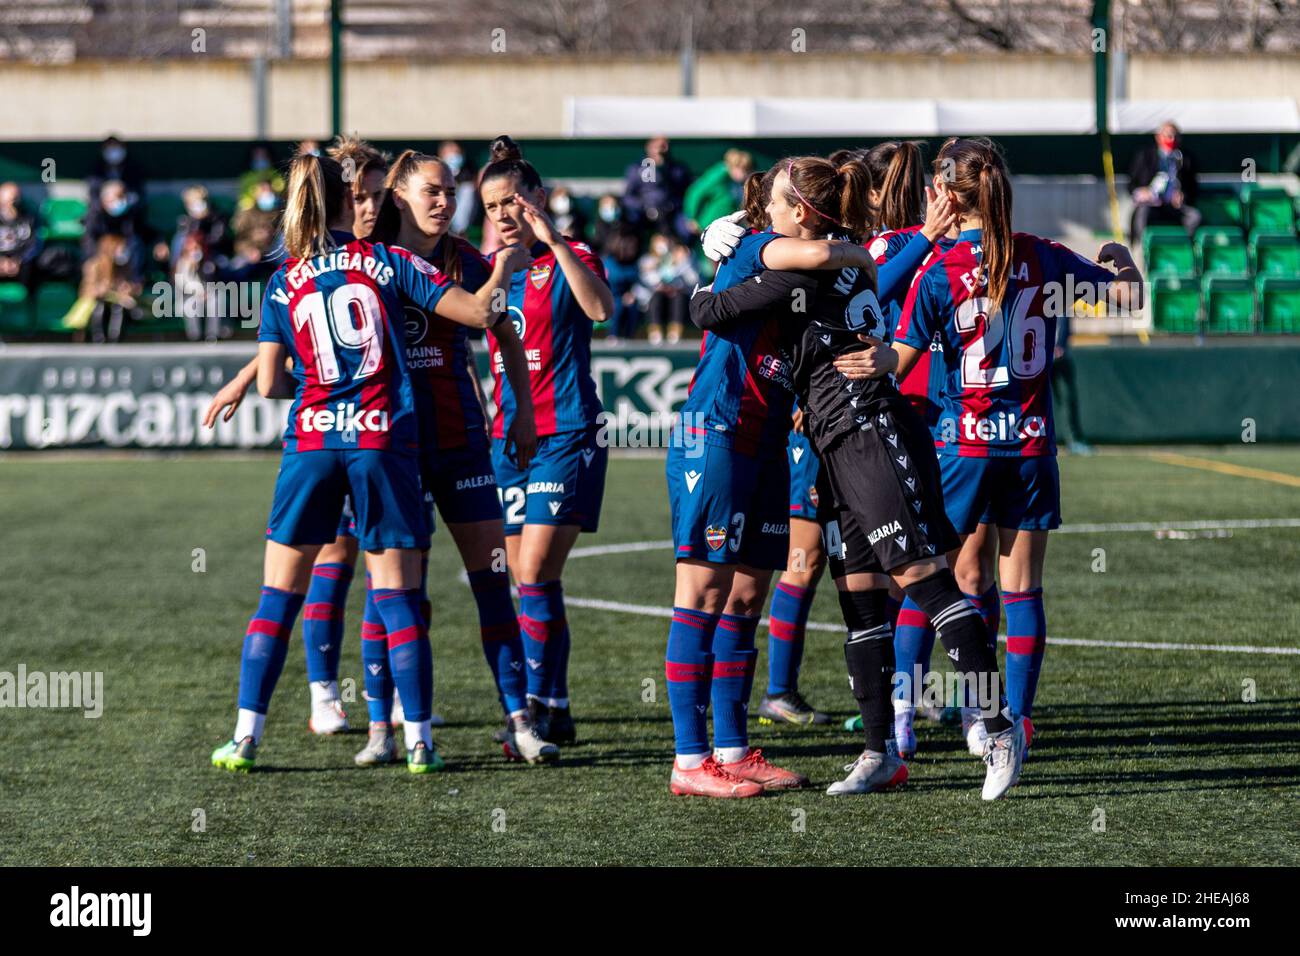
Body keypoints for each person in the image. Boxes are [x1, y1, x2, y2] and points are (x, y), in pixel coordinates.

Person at [689, 154, 1027, 801]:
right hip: (835, 444)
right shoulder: (838, 256)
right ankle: (880, 754)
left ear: (799, 216)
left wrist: (711, 256)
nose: (765, 213)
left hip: (870, 432)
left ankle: (999, 723)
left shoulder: (810, 273)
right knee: (862, 603)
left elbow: (713, 310)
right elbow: (871, 269)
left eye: (776, 203)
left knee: (926, 583)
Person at [208, 149, 526, 774]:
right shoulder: (386, 260)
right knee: (398, 595)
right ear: (348, 202)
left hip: (313, 443)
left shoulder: (284, 280)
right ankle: (420, 744)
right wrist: (507, 265)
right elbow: (479, 314)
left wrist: (323, 382)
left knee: (278, 595)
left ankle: (245, 738)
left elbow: (274, 383)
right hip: (382, 440)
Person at [842, 136, 1144, 757]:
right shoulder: (1044, 256)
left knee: (931, 581)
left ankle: (904, 714)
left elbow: (900, 359)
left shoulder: (939, 269)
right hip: (1031, 449)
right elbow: (1128, 298)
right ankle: (1012, 723)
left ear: (948, 197)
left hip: (965, 448)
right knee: (1022, 590)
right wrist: (1124, 262)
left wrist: (868, 362)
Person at [663, 165, 884, 799]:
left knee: (744, 599)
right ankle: (688, 759)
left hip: (762, 442)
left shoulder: (798, 263)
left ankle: (731, 748)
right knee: (702, 593)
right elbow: (817, 250)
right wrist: (855, 251)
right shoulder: (760, 241)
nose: (762, 200)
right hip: (716, 432)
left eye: (778, 192)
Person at [365, 148, 553, 763]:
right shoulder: (370, 261)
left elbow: (503, 327)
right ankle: (384, 725)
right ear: (399, 197)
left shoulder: (464, 258)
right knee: (395, 592)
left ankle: (520, 719)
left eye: (450, 191)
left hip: (461, 443)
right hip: (391, 445)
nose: (445, 201)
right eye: (432, 191)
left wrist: (521, 409)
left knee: (494, 580)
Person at [479, 135, 615, 744]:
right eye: (490, 207)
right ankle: (554, 705)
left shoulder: (572, 253)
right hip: (510, 443)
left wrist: (555, 240)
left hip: (566, 434)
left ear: (536, 198)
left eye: (512, 201)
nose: (503, 214)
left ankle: (536, 703)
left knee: (532, 569)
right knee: (526, 579)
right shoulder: (491, 274)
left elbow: (602, 309)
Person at [167, 185, 232, 341]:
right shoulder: (183, 231)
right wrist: (197, 290)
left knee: (216, 300)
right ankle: (195, 338)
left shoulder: (217, 222)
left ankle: (213, 336)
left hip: (213, 287)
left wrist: (207, 289)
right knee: (190, 306)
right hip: (190, 292)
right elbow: (180, 278)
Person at [1129, 121, 1201, 246]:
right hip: (1152, 205)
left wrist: (1183, 195)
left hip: (1175, 207)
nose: (1171, 139)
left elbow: (1193, 187)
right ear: (1158, 137)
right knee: (1142, 214)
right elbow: (1132, 185)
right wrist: (1143, 192)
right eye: (1168, 135)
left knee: (1194, 217)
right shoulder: (1145, 156)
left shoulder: (1186, 158)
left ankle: (1181, 249)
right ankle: (1145, 249)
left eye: (1175, 136)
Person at [621, 136, 693, 243]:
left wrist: (673, 205)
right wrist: (646, 207)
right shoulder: (637, 169)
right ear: (648, 147)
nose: (661, 150)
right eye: (657, 146)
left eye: (664, 146)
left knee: (686, 227)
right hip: (645, 213)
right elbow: (628, 197)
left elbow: (688, 193)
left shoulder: (678, 169)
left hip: (672, 212)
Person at [635, 232, 697, 344]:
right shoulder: (647, 260)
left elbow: (693, 280)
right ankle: (655, 332)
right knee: (657, 297)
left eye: (665, 241)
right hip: (656, 297)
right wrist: (656, 266)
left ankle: (675, 332)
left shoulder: (681, 257)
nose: (663, 244)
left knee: (679, 297)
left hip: (677, 297)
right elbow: (648, 280)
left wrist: (684, 261)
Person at [684, 149, 752, 239]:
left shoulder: (737, 183)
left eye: (746, 170)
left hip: (725, 229)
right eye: (740, 168)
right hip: (707, 227)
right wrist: (691, 217)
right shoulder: (719, 175)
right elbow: (696, 193)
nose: (743, 174)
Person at [0, 182, 38, 287]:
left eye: (16, 198)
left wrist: (19, 260)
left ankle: (29, 300)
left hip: (21, 266)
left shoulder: (28, 217)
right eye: (10, 199)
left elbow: (33, 245)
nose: (14, 202)